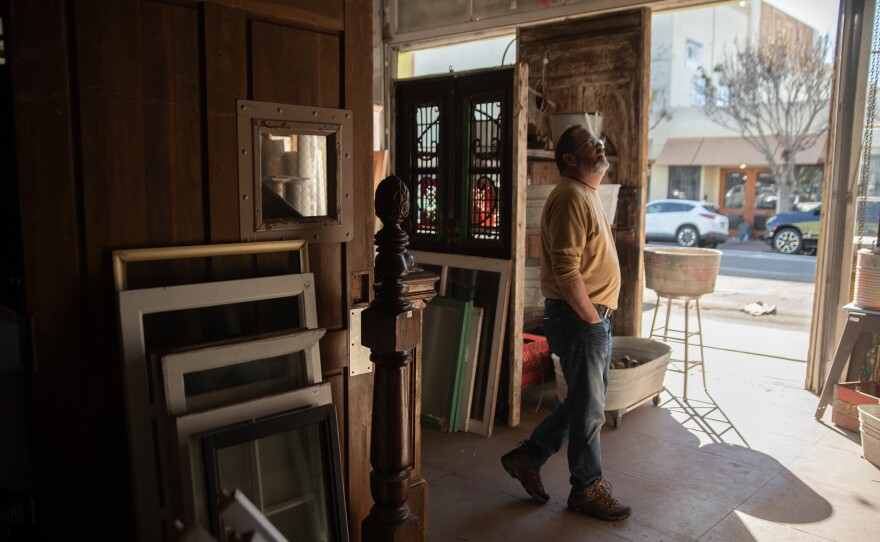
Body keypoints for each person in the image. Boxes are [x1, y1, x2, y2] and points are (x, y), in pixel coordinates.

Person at [501, 125, 631, 522]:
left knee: (582, 403)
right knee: (590, 409)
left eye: (597, 140)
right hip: (580, 319)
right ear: (570, 159)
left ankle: (529, 456)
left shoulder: (586, 194)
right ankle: (586, 488)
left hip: (587, 319)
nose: (599, 144)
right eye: (588, 142)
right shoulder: (570, 196)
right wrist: (592, 319)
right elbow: (565, 268)